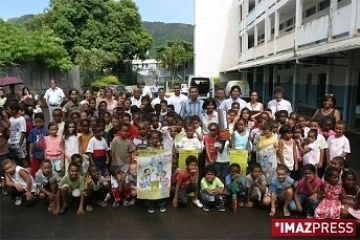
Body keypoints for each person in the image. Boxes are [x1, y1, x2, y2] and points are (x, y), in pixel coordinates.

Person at [6, 102, 29, 171]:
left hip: (18, 142)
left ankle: (28, 172)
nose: (7, 111)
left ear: (14, 110)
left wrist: (20, 144)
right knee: (13, 158)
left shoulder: (21, 119)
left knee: (22, 158)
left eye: (8, 109)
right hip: (11, 142)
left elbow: (23, 131)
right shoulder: (11, 119)